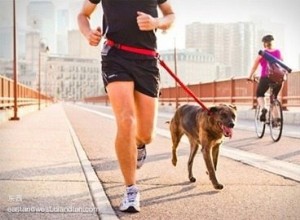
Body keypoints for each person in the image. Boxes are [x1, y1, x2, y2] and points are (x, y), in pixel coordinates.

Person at [78, 0, 175, 213]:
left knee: (146, 134)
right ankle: (131, 189)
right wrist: (88, 34)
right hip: (115, 56)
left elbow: (170, 15)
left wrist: (156, 22)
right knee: (126, 120)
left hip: (147, 61)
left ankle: (139, 146)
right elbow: (83, 14)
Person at [247, 34, 283, 122]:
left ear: (264, 44)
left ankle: (264, 108)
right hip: (278, 78)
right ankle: (277, 117)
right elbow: (281, 64)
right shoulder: (278, 52)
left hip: (265, 77)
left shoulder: (262, 53)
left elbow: (254, 67)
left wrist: (250, 76)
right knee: (274, 97)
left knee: (259, 93)